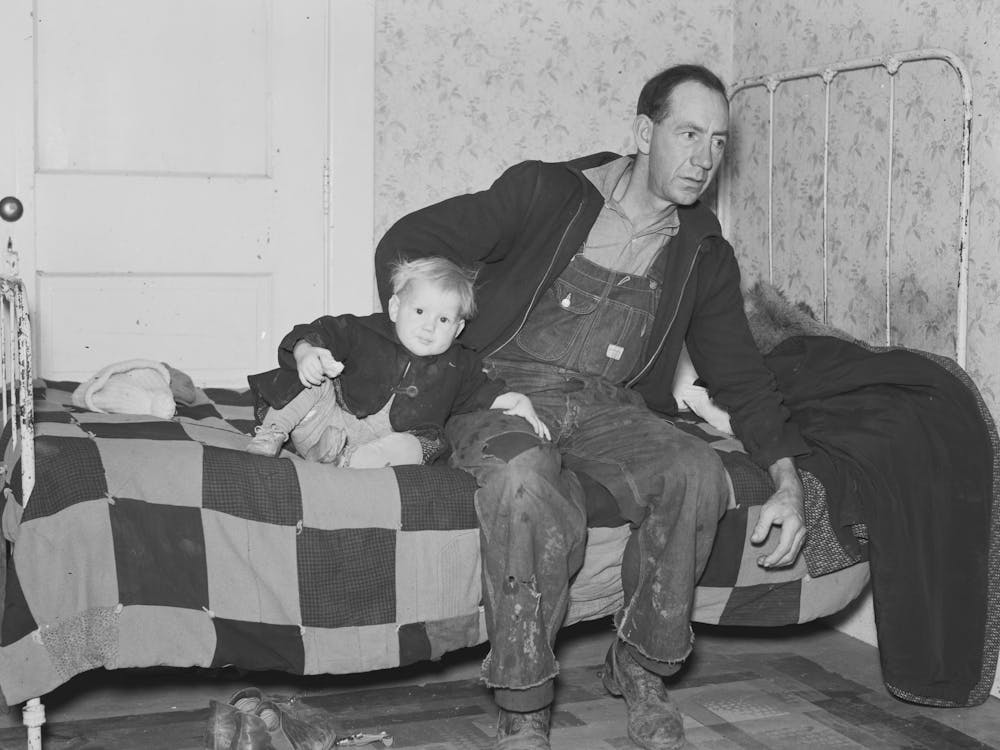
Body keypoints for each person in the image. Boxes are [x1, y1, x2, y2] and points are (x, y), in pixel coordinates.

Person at [374, 64, 810, 749]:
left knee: (697, 470)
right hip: (502, 391)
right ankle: (524, 701)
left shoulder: (703, 253)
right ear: (643, 132)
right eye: (688, 133)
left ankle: (639, 665)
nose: (704, 159)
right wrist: (432, 365)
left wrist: (788, 479)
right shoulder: (546, 192)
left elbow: (745, 381)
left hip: (608, 408)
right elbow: (406, 241)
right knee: (521, 479)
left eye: (719, 142)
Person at [246, 256, 550, 467]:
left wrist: (518, 400)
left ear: (457, 328)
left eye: (443, 319)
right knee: (313, 378)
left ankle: (341, 462)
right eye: (419, 312)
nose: (429, 327)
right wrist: (306, 352)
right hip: (323, 419)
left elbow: (484, 391)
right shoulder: (361, 330)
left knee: (420, 446)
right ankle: (273, 431)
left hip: (376, 447)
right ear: (395, 308)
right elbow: (318, 332)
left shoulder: (460, 364)